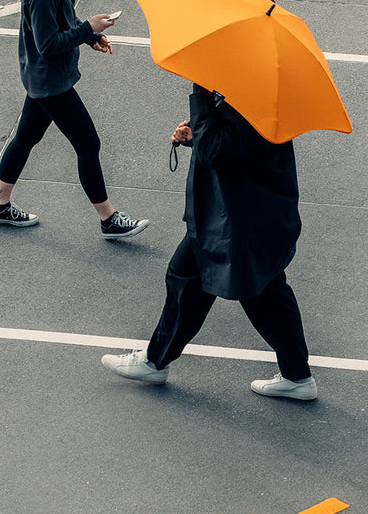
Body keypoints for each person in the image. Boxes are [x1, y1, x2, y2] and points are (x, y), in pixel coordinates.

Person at [102, 85, 316, 399]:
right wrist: (198, 134)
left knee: (215, 282)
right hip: (254, 214)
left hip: (239, 220)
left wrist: (200, 99)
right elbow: (229, 144)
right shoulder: (261, 92)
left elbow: (214, 152)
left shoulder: (246, 98)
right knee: (250, 288)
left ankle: (155, 361)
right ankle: (297, 375)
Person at [0, 0, 148, 239]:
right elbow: (48, 44)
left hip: (42, 78)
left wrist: (90, 36)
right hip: (51, 82)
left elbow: (63, 22)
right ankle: (109, 219)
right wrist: (88, 26)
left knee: (27, 137)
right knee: (88, 143)